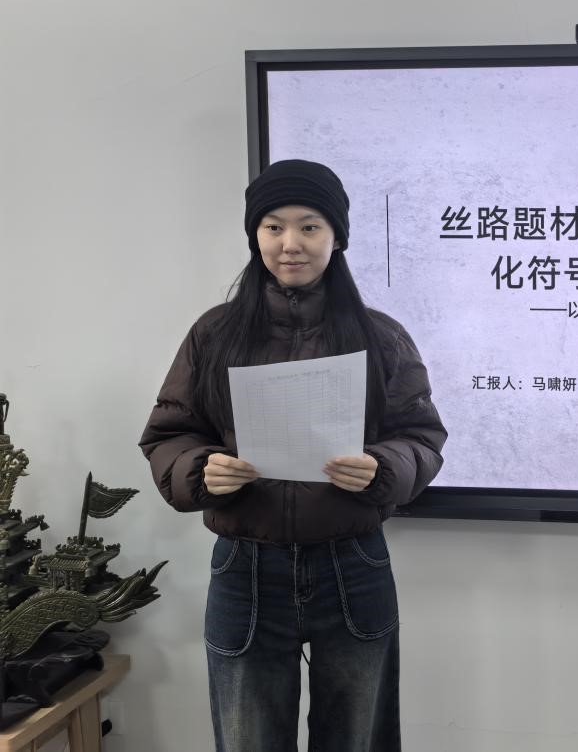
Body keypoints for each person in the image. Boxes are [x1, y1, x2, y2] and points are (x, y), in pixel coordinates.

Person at [139, 159, 446, 751]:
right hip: (245, 566)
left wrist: (383, 468)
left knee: (357, 737)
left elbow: (422, 436)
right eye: (273, 226)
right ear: (255, 235)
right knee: (248, 739)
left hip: (353, 562)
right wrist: (199, 470)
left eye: (310, 226)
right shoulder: (215, 333)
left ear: (337, 237)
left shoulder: (380, 335)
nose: (290, 243)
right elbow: (168, 435)